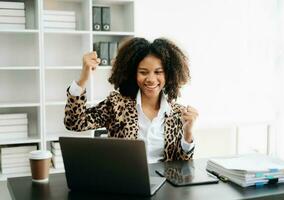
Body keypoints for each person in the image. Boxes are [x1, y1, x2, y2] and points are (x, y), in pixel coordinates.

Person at [64, 37, 199, 163]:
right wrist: (83, 78)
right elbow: (75, 122)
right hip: (125, 183)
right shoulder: (117, 104)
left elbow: (183, 165)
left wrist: (188, 133)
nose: (151, 79)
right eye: (143, 72)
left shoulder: (178, 113)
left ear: (169, 74)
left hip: (166, 185)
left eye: (158, 72)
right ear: (133, 74)